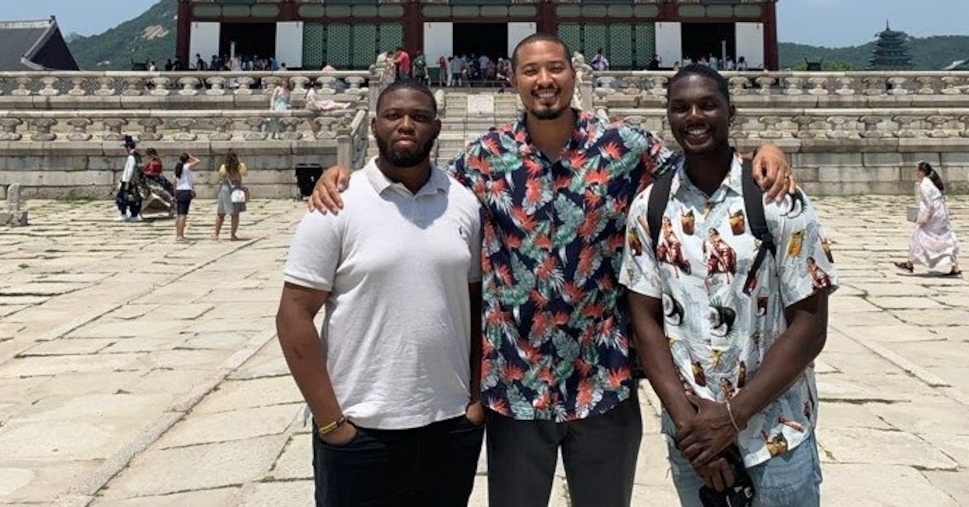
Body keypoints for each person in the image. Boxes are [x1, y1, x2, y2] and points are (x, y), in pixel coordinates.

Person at [310, 33, 793, 507]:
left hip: (604, 382)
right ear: (513, 80)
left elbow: (700, 165)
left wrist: (762, 152)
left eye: (555, 68)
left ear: (573, 75)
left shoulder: (623, 148)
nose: (545, 80)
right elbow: (416, 183)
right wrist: (347, 179)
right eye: (531, 70)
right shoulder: (483, 159)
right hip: (515, 390)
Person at [621, 64, 837, 506]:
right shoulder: (650, 206)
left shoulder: (777, 201)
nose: (694, 116)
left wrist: (732, 418)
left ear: (730, 112)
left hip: (778, 430)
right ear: (668, 117)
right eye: (680, 108)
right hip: (695, 436)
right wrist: (691, 427)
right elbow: (645, 321)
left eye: (707, 105)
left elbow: (810, 324)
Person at [276, 80, 486, 506]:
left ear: (437, 127)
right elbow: (294, 314)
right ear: (373, 125)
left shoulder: (463, 202)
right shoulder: (337, 204)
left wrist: (476, 401)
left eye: (420, 117)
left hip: (449, 425)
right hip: (360, 428)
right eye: (393, 115)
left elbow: (477, 306)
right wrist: (331, 422)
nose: (406, 125)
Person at [895, 161, 961, 277]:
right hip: (941, 213)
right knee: (944, 237)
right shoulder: (931, 182)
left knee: (919, 237)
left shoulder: (924, 184)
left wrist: (924, 218)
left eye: (917, 170)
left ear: (922, 172)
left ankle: (909, 264)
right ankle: (955, 266)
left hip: (934, 213)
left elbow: (930, 205)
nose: (915, 173)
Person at [214, 149, 248, 241]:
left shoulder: (223, 167)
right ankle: (233, 235)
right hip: (236, 189)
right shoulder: (241, 166)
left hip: (226, 189)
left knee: (221, 213)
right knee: (235, 214)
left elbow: (221, 175)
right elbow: (245, 174)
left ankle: (216, 234)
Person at [115, 135, 144, 222]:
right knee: (134, 198)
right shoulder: (138, 156)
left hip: (129, 182)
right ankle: (134, 215)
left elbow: (129, 170)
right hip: (137, 181)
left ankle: (124, 214)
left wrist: (125, 181)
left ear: (128, 147)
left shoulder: (131, 157)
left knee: (121, 198)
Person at [173, 152, 200, 243]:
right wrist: (191, 156)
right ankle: (180, 236)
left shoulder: (178, 168)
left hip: (179, 191)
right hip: (185, 191)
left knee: (179, 214)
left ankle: (178, 234)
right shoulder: (186, 167)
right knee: (183, 214)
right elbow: (198, 161)